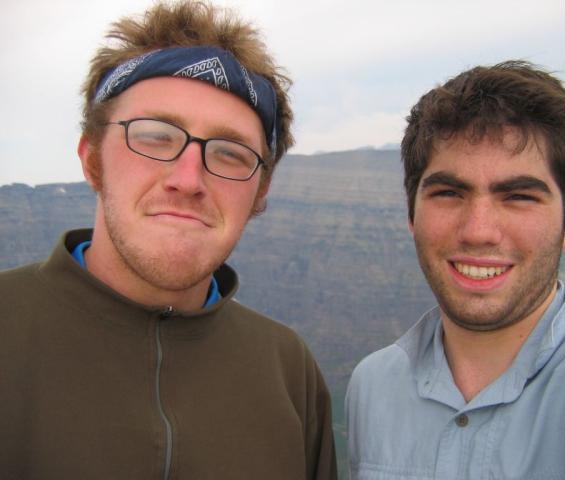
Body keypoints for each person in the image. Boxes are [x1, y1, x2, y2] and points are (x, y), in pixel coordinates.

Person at [0, 2, 336, 478]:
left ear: (260, 193)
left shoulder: (289, 372)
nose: (188, 178)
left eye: (230, 152)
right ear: (93, 159)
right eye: (156, 135)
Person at [346, 60, 565, 479]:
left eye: (518, 196)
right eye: (448, 192)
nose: (478, 231)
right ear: (412, 215)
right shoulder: (371, 387)